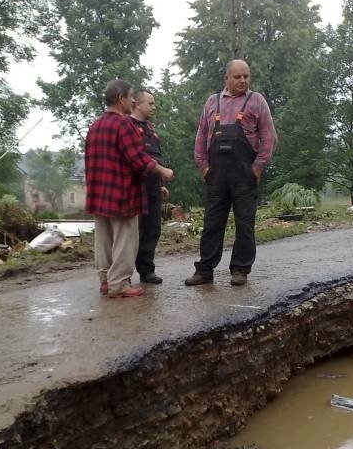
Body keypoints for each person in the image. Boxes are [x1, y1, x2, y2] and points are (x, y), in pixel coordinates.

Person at [185, 59, 277, 287]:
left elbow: (269, 137)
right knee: (212, 223)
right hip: (216, 175)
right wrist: (203, 167)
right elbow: (200, 137)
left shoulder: (256, 101)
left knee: (245, 224)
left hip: (244, 174)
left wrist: (257, 168)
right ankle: (205, 270)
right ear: (226, 78)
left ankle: (240, 269)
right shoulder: (212, 102)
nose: (243, 81)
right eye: (237, 77)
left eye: (246, 76)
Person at [85, 79, 174, 298]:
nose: (132, 100)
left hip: (99, 193)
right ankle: (119, 284)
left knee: (104, 240)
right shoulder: (123, 124)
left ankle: (105, 281)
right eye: (130, 97)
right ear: (120, 99)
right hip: (121, 192)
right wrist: (163, 171)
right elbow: (137, 157)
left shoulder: (95, 125)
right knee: (126, 239)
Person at [131, 90, 170, 284]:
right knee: (131, 232)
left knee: (153, 228)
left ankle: (147, 271)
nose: (154, 107)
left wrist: (161, 184)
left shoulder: (151, 129)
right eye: (150, 103)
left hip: (153, 185)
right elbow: (136, 157)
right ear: (137, 104)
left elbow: (155, 155)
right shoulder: (128, 126)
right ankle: (123, 274)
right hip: (135, 186)